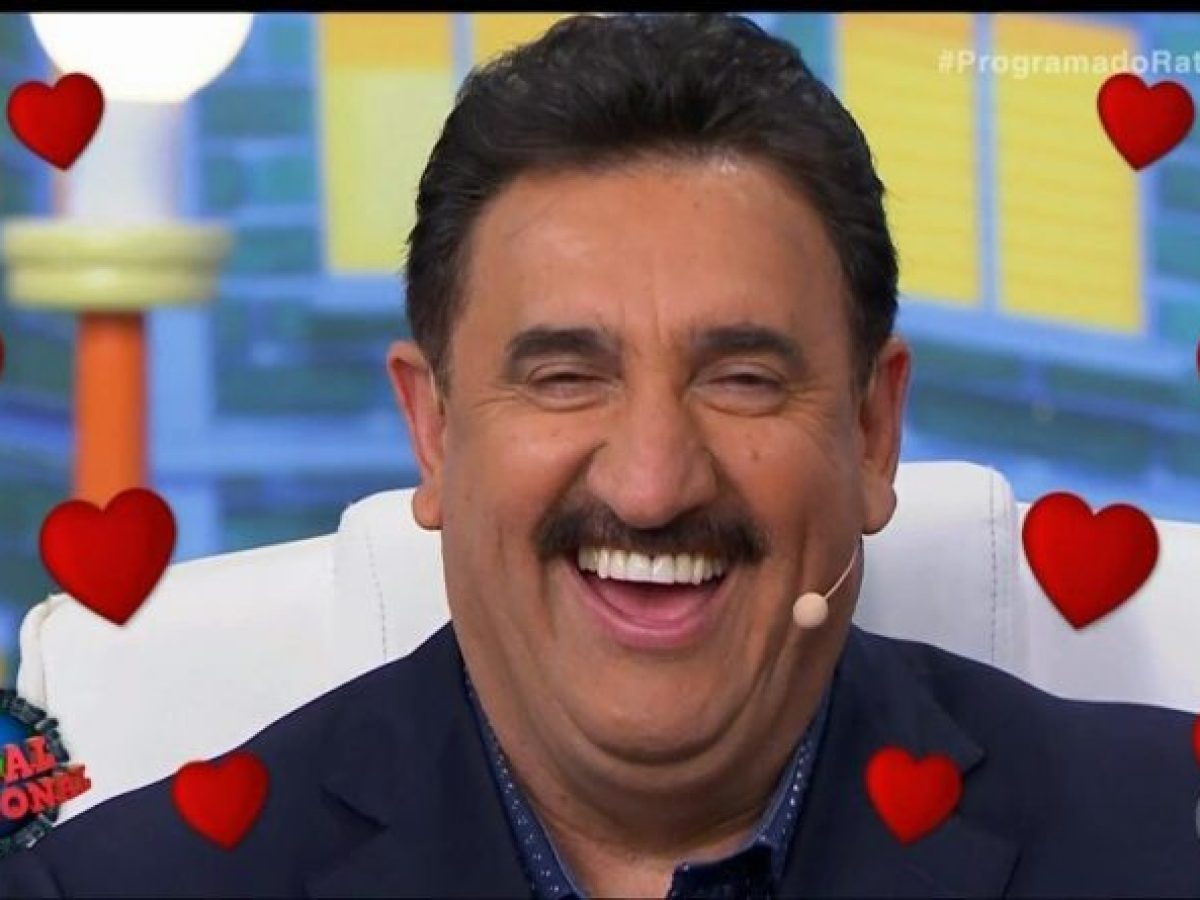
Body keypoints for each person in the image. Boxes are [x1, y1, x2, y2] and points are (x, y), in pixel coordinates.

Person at [2, 11, 1199, 899]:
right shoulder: (118, 886)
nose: (651, 482)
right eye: (564, 376)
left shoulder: (1165, 839)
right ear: (434, 431)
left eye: (742, 378)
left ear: (872, 431)